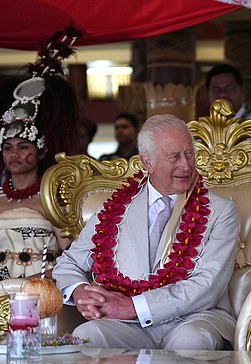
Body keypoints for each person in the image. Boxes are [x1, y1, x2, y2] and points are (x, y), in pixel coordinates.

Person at [53, 114, 239, 351]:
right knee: (88, 335)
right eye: (174, 157)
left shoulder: (221, 211)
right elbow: (68, 264)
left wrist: (133, 306)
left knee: (192, 339)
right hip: (127, 325)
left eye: (189, 153)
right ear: (147, 162)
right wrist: (81, 293)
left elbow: (208, 285)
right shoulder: (114, 208)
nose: (186, 165)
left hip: (194, 318)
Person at [0, 74, 77, 279]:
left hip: (41, 293)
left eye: (23, 147)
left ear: (41, 152)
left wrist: (34, 283)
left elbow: (72, 256)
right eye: (8, 148)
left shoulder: (53, 199)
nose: (14, 155)